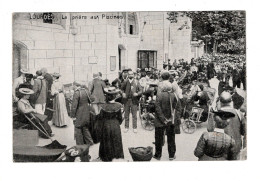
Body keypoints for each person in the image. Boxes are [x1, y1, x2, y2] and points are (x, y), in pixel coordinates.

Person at [211, 91, 246, 158]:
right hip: (236, 147)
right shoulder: (239, 114)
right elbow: (244, 132)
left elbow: (210, 129)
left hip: (221, 147)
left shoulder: (216, 114)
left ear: (220, 101)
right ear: (231, 101)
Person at [154, 81, 181, 161]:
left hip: (160, 121)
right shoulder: (174, 95)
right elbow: (179, 108)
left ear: (164, 88)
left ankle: (158, 155)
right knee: (171, 138)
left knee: (158, 139)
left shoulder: (159, 95)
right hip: (171, 121)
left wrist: (163, 119)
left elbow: (157, 109)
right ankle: (171, 155)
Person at [98, 87, 124, 161]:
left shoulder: (103, 106)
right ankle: (116, 156)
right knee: (116, 142)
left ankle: (106, 157)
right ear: (115, 96)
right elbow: (120, 119)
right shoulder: (118, 105)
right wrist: (117, 122)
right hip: (115, 125)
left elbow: (100, 118)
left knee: (106, 141)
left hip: (106, 125)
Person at [71, 81, 95, 146]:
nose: (72, 87)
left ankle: (80, 145)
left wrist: (72, 116)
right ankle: (90, 142)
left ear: (75, 85)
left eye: (72, 85)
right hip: (86, 112)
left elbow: (74, 106)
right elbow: (92, 99)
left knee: (78, 128)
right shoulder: (86, 91)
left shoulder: (76, 93)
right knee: (85, 127)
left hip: (79, 113)